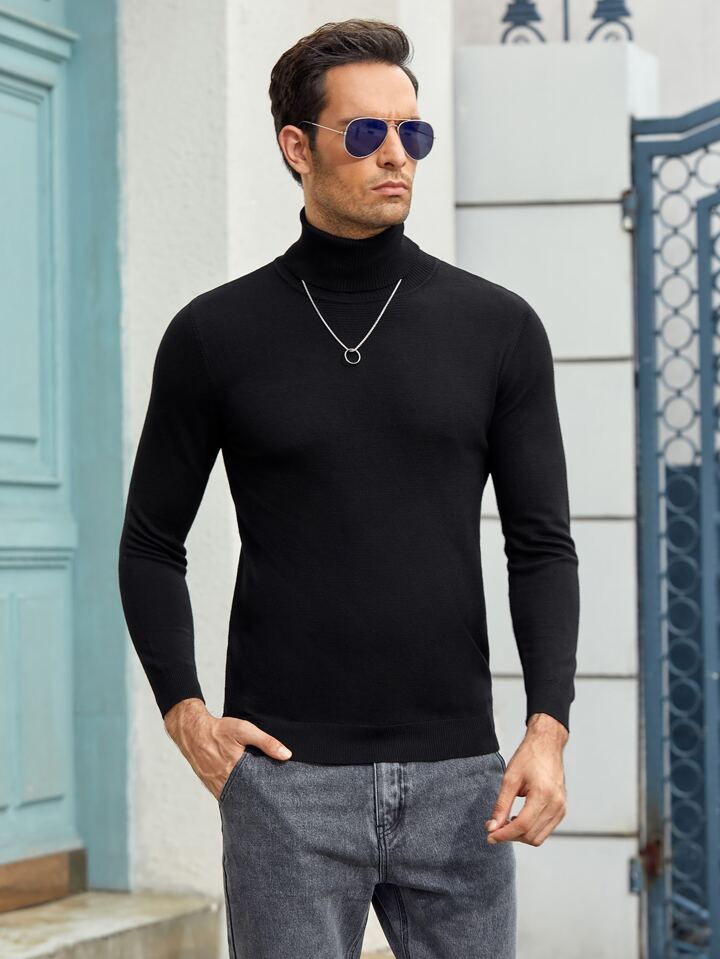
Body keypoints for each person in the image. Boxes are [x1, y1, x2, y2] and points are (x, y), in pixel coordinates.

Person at [117, 17, 579, 959]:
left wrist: (548, 727)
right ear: (298, 147)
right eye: (365, 132)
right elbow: (151, 542)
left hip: (462, 781)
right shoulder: (214, 335)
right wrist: (185, 713)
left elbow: (540, 545)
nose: (396, 154)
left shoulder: (497, 328)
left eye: (412, 131)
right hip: (286, 784)